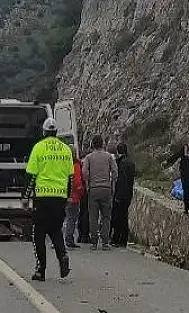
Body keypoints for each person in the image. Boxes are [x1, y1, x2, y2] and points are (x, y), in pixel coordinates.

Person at [24, 116, 74, 280]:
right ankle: (63, 256)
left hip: (42, 198)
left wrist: (25, 196)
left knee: (38, 234)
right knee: (55, 230)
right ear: (56, 132)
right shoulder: (65, 149)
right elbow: (70, 177)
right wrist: (68, 197)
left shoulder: (39, 148)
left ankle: (41, 270)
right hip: (59, 198)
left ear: (44, 132)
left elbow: (31, 175)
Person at [81, 134, 118, 249]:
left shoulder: (89, 157)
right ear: (103, 144)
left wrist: (87, 184)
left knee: (93, 216)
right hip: (106, 188)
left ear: (93, 144)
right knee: (106, 217)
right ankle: (105, 242)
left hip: (93, 189)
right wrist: (112, 184)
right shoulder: (109, 157)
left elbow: (84, 172)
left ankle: (94, 242)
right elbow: (115, 171)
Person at [110, 142, 136, 248]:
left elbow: (121, 180)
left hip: (120, 194)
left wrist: (117, 195)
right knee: (124, 216)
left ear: (118, 151)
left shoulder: (121, 163)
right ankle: (124, 239)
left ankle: (117, 239)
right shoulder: (131, 162)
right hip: (128, 194)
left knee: (118, 217)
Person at [64, 154, 85, 250]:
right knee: (71, 218)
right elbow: (77, 181)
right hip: (74, 196)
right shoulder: (75, 165)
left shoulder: (63, 163)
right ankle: (69, 239)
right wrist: (82, 191)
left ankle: (58, 240)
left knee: (64, 218)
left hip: (63, 194)